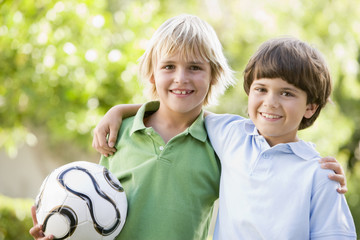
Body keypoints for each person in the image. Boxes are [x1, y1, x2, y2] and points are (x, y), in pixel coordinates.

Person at [92, 37, 355, 239]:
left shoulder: (320, 175)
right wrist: (118, 111)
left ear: (311, 107)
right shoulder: (232, 135)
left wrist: (323, 172)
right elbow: (178, 108)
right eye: (261, 89)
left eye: (287, 93)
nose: (270, 103)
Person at [30, 14, 235, 240]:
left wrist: (119, 108)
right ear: (152, 75)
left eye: (194, 67)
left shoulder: (220, 144)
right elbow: (95, 216)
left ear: (214, 76)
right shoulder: (119, 133)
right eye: (168, 66)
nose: (181, 78)